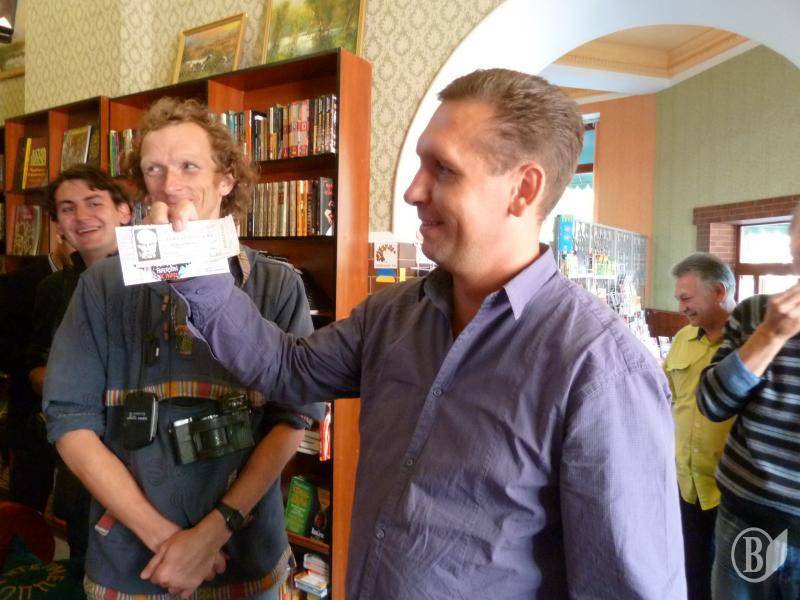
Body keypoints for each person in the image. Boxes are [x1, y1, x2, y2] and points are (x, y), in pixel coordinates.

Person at [162, 69, 686, 598]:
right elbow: (286, 369)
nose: (413, 190)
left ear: (523, 189)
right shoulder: (392, 314)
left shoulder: (603, 371)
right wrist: (194, 265)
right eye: (420, 164)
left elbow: (626, 587)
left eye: (445, 169)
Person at [43, 98, 323, 599]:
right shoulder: (102, 286)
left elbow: (291, 420)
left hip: (245, 554)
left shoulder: (277, 284)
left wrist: (214, 531)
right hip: (132, 560)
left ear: (226, 179)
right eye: (154, 169)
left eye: (189, 166)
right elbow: (70, 421)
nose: (169, 185)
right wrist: (166, 540)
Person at [24, 165, 132, 563]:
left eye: (93, 203)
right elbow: (34, 364)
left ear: (123, 211)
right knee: (86, 565)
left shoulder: (154, 277)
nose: (81, 216)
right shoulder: (53, 289)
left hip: (144, 458)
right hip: (80, 467)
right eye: (68, 208)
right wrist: (62, 383)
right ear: (58, 224)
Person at [698, 207, 800, 598]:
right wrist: (770, 335)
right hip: (748, 520)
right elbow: (712, 403)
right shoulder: (755, 313)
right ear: (791, 244)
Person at [665, 252, 736, 600]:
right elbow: (668, 399)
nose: (681, 308)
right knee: (691, 578)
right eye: (679, 300)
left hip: (733, 494)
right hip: (685, 486)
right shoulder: (682, 340)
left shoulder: (752, 345)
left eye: (687, 299)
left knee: (733, 586)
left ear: (719, 292)